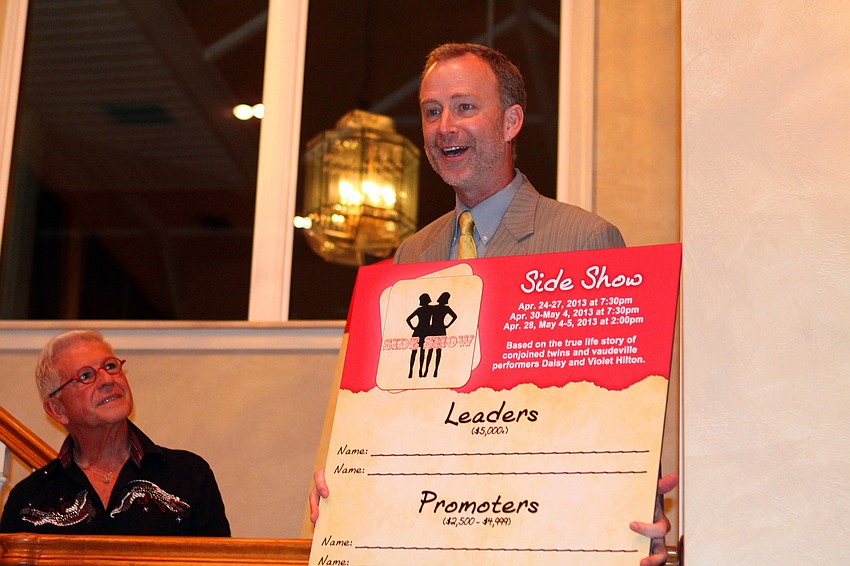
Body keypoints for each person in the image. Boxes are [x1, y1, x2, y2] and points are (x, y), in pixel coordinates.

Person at [310, 43, 677, 566]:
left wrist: (631, 501)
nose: (443, 127)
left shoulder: (585, 240)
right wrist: (350, 475)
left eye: (464, 107)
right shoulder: (411, 255)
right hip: (434, 538)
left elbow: (608, 413)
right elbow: (396, 412)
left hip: (542, 540)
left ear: (511, 122)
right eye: (431, 111)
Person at [0, 330, 230, 536]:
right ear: (57, 410)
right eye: (86, 376)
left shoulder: (188, 475)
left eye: (111, 366)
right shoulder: (29, 500)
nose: (107, 380)